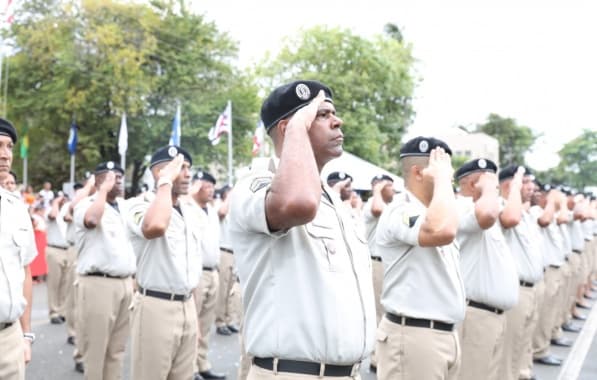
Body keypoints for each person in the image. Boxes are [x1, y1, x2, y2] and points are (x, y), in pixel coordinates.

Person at [229, 80, 376, 380]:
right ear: (287, 128)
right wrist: (298, 128)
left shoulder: (336, 203)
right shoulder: (256, 185)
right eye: (321, 115)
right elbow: (298, 203)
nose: (338, 121)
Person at [375, 136, 465, 380]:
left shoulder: (436, 210)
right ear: (417, 172)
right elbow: (439, 231)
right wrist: (443, 179)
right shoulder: (400, 210)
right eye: (441, 168)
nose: (450, 174)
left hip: (442, 336)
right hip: (414, 337)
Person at [126, 146, 204, 380]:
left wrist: (195, 318)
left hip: (187, 305)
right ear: (160, 172)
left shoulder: (191, 211)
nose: (188, 174)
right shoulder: (138, 205)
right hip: (155, 305)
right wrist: (165, 184)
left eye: (189, 168)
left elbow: (192, 267)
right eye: (181, 168)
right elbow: (155, 226)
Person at [453, 159, 519, 380]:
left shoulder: (484, 209)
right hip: (475, 317)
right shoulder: (461, 207)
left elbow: (509, 216)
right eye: (488, 179)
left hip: (490, 317)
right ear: (473, 184)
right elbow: (490, 215)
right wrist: (490, 188)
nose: (495, 186)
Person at [73, 161, 136, 379]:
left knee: (116, 350)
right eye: (111, 177)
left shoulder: (125, 207)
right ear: (98, 180)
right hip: (98, 283)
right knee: (96, 350)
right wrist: (101, 191)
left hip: (125, 283)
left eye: (120, 176)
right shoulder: (86, 204)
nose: (118, 180)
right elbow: (91, 220)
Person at [496, 166, 545, 380]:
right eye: (525, 182)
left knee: (521, 343)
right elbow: (510, 219)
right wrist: (515, 186)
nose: (532, 188)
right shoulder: (504, 208)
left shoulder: (526, 214)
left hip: (531, 288)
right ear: (509, 184)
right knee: (508, 350)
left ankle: (521, 375)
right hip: (516, 288)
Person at [0, 118, 37, 380]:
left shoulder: (17, 207)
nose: (5, 155)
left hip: (10, 337)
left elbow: (25, 273)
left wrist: (25, 335)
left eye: (9, 146)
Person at [191, 169, 227, 380]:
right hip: (197, 274)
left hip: (212, 271)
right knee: (193, 325)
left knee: (204, 324)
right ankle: (192, 368)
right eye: (207, 186)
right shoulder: (188, 208)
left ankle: (202, 363)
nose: (211, 190)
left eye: (213, 187)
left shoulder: (210, 210)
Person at [362, 174, 394, 373]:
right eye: (389, 186)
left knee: (386, 310)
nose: (393, 189)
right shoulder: (372, 205)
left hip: (387, 264)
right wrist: (377, 190)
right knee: (378, 311)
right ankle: (375, 357)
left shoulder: (392, 206)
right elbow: (377, 209)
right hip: (376, 263)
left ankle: (380, 354)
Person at [215, 185, 241, 336]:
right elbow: (222, 212)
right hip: (224, 252)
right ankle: (220, 322)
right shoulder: (221, 206)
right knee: (222, 290)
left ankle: (229, 319)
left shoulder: (236, 210)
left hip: (235, 253)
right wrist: (231, 195)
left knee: (231, 289)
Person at [46, 192, 75, 325]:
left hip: (67, 249)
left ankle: (62, 310)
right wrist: (56, 203)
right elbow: (52, 215)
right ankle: (54, 312)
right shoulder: (51, 210)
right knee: (54, 283)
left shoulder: (68, 213)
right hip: (54, 249)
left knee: (65, 282)